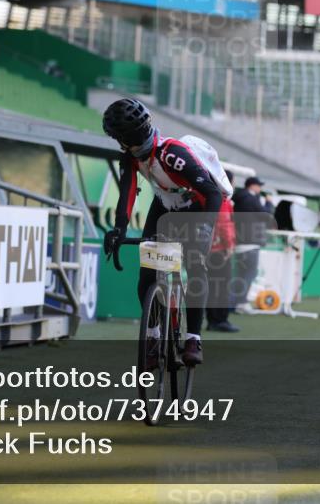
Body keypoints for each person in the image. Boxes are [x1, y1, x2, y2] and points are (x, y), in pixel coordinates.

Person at [101, 98, 227, 367]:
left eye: (119, 138)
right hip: (164, 206)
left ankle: (193, 339)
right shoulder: (131, 157)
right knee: (148, 274)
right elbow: (127, 194)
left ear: (127, 138)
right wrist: (119, 229)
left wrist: (205, 228)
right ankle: (154, 336)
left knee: (195, 265)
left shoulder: (172, 154)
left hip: (197, 206)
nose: (119, 143)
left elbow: (213, 193)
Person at [230, 176, 274, 312]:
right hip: (250, 243)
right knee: (249, 274)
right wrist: (269, 203)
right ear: (252, 186)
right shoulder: (251, 198)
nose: (260, 188)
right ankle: (241, 302)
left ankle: (233, 303)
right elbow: (267, 214)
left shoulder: (239, 198)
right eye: (258, 185)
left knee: (241, 275)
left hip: (240, 242)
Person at [206, 171, 238, 332]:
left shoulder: (207, 194)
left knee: (211, 286)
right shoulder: (222, 199)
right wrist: (229, 246)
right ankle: (220, 320)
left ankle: (212, 320)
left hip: (207, 248)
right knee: (221, 287)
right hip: (219, 250)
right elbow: (224, 224)